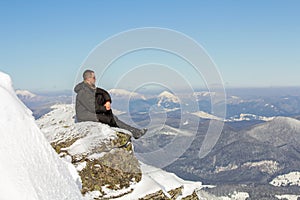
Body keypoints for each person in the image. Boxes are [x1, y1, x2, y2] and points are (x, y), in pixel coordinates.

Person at [74, 69, 147, 139]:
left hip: (89, 113)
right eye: (94, 77)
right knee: (110, 119)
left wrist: (107, 101)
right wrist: (105, 108)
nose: (95, 79)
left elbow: (102, 93)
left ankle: (135, 132)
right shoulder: (83, 92)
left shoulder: (89, 89)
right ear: (88, 79)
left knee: (112, 117)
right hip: (84, 116)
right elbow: (92, 107)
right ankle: (135, 133)